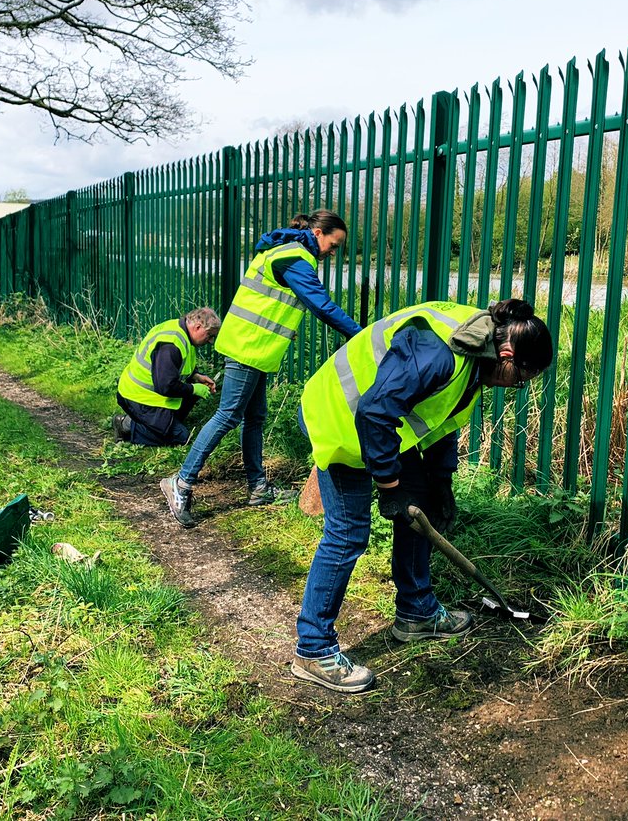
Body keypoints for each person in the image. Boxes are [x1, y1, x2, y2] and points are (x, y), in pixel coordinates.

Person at [290, 298, 554, 693]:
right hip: (341, 419)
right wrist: (389, 486)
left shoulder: (475, 352)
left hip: (380, 428)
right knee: (347, 534)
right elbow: (374, 412)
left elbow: (442, 417)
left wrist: (440, 482)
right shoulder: (439, 353)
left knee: (421, 507)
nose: (515, 388)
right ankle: (313, 649)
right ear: (507, 354)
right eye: (519, 379)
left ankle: (417, 612)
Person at [161, 209, 363, 528]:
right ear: (318, 233)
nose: (333, 253)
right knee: (228, 415)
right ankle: (181, 482)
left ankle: (257, 488)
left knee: (254, 419)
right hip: (247, 347)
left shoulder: (289, 252)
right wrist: (361, 334)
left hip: (257, 349)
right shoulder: (294, 257)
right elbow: (322, 305)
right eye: (333, 245)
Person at [112, 307, 221, 447]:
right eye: (210, 335)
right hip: (138, 398)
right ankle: (125, 424)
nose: (211, 341)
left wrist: (196, 376)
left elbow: (179, 366)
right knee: (181, 438)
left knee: (191, 394)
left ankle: (163, 424)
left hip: (148, 394)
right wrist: (194, 389)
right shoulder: (171, 345)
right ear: (198, 327)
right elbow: (166, 386)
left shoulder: (183, 332)